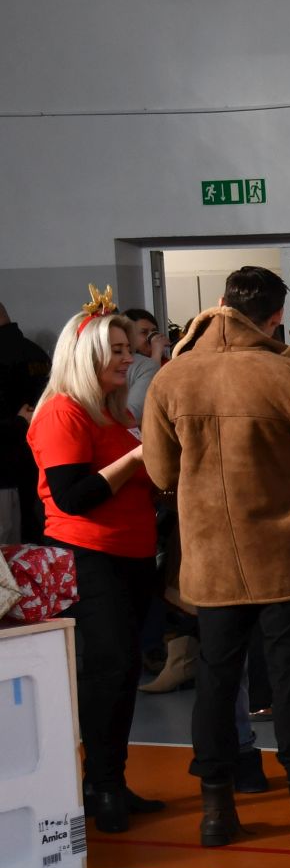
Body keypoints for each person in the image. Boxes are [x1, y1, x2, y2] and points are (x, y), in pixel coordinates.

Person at [141, 265, 290, 847]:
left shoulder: (173, 376)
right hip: (283, 553)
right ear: (276, 318)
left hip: (211, 556)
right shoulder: (281, 372)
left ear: (220, 304)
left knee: (217, 680)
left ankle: (217, 813)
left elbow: (160, 472)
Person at [27, 289, 163, 832]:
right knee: (110, 669)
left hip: (133, 552)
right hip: (90, 554)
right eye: (118, 350)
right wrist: (139, 456)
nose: (129, 358)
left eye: (129, 349)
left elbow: (135, 481)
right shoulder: (62, 411)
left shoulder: (116, 411)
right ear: (86, 355)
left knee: (124, 669)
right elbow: (73, 497)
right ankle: (101, 786)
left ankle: (112, 780)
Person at [0, 300, 53, 543]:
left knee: (8, 549)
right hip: (39, 462)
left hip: (6, 468)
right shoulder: (37, 352)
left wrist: (19, 423)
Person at [121, 309, 164, 417]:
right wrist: (156, 354)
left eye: (154, 332)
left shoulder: (167, 363)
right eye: (144, 332)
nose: (152, 337)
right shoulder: (124, 365)